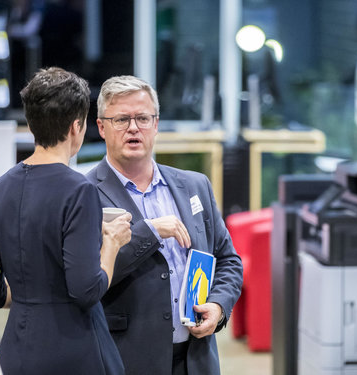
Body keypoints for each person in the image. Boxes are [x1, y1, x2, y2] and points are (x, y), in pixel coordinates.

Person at [86, 75, 243, 375]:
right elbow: (87, 279)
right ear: (102, 128)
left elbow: (227, 260)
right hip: (126, 360)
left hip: (197, 359)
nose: (134, 128)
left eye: (143, 118)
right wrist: (150, 232)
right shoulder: (84, 193)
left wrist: (219, 306)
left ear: (156, 125)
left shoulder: (195, 185)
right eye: (121, 119)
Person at [0, 67, 132, 374]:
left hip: (16, 347)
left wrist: (29, 297)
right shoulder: (78, 190)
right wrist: (111, 243)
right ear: (76, 127)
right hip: (73, 348)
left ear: (30, 124)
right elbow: (86, 290)